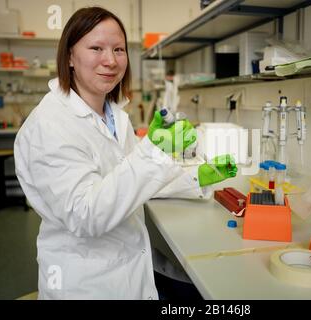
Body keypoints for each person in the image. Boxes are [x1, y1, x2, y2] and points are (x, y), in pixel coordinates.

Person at [14, 7, 237, 300]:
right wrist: (155, 152)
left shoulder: (114, 114)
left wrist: (196, 178)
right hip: (88, 281)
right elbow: (87, 215)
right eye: (96, 48)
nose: (110, 60)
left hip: (130, 260)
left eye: (119, 49)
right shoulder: (51, 125)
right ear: (69, 56)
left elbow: (134, 178)